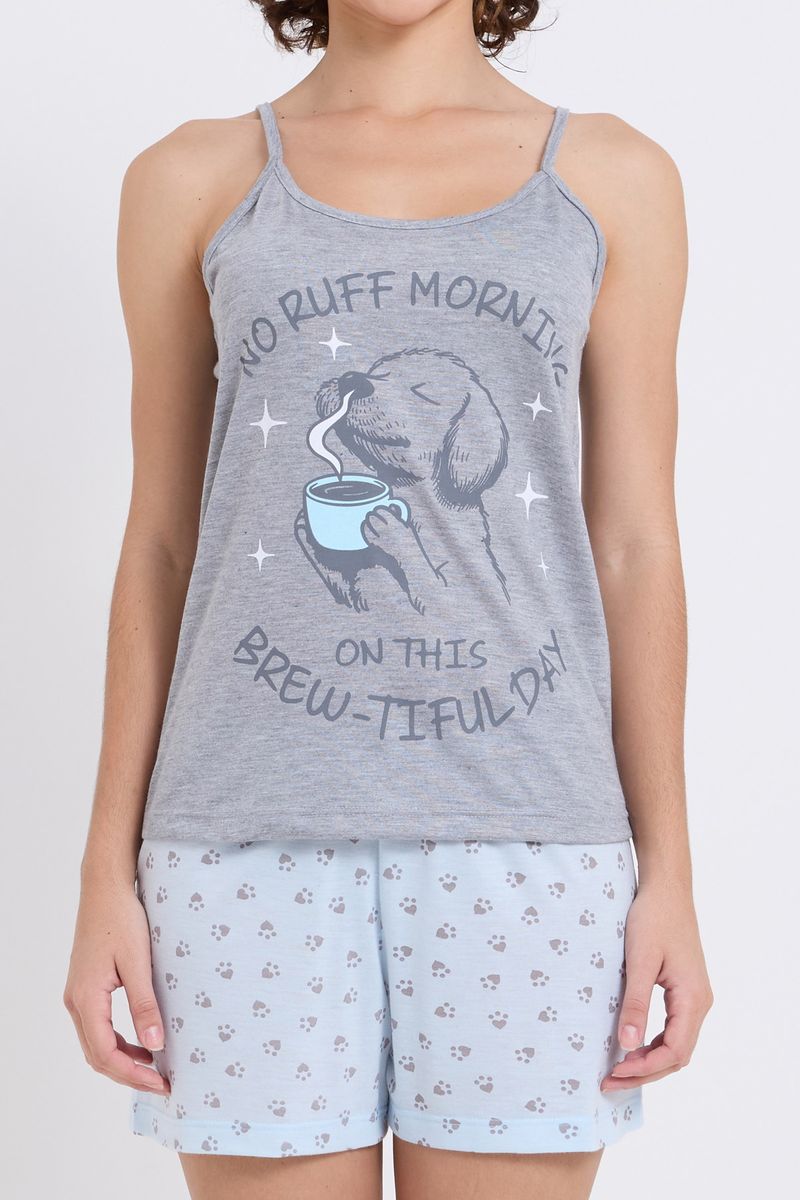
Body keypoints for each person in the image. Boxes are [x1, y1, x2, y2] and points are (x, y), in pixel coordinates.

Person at [63, 2, 713, 1197]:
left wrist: (667, 869)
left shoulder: (610, 177)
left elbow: (631, 544)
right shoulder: (191, 177)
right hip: (240, 846)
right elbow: (161, 543)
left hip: (532, 846)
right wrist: (105, 868)